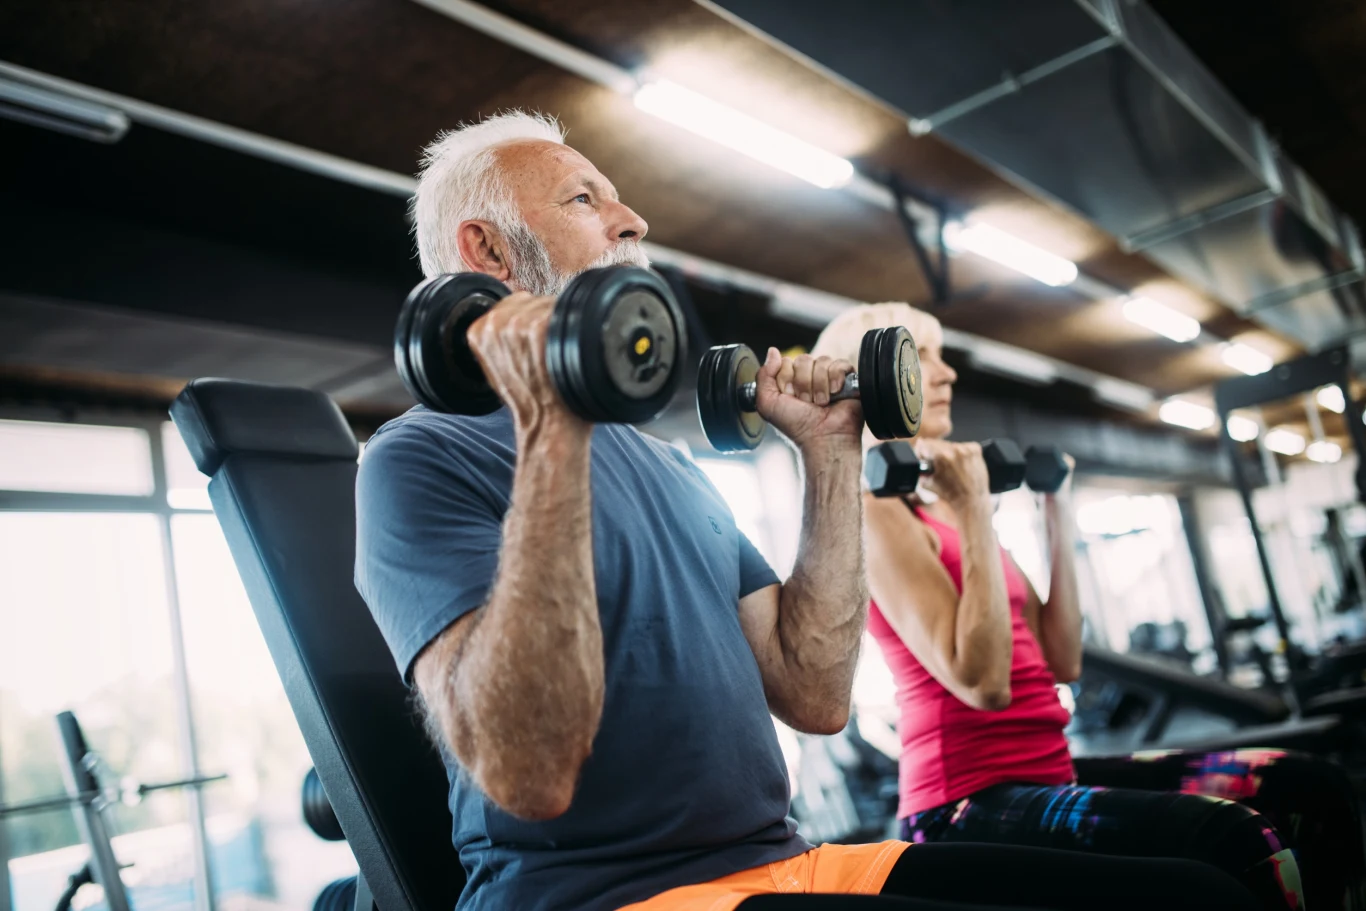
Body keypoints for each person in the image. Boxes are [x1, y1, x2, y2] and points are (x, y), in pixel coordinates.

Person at [354, 110, 1260, 911]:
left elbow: (815, 692)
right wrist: (550, 418)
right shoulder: (416, 459)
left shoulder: (670, 466)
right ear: (490, 252)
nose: (633, 220)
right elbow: (531, 772)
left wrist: (829, 453)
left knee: (1198, 894)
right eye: (585, 198)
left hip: (785, 863)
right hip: (614, 898)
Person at [813, 302, 1366, 911]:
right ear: (870, 377)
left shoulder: (953, 500)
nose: (946, 374)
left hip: (1048, 767)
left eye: (942, 357)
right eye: (921, 358)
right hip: (961, 803)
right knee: (1237, 838)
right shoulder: (877, 514)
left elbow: (1062, 658)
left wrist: (1057, 509)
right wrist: (974, 512)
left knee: (1309, 787)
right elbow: (983, 684)